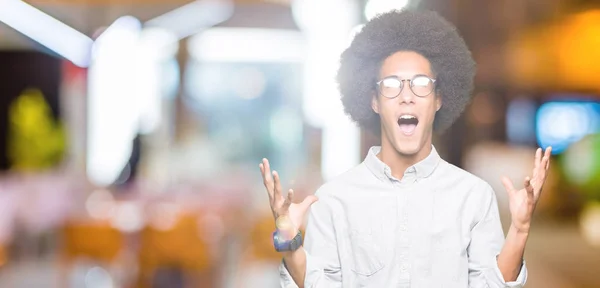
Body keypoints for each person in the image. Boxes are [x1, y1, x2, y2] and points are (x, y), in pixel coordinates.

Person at [259, 9, 552, 288]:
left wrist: (520, 229)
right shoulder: (333, 200)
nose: (407, 96)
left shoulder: (473, 197)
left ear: (438, 99)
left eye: (421, 83)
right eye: (391, 84)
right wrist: (288, 235)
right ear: (374, 101)